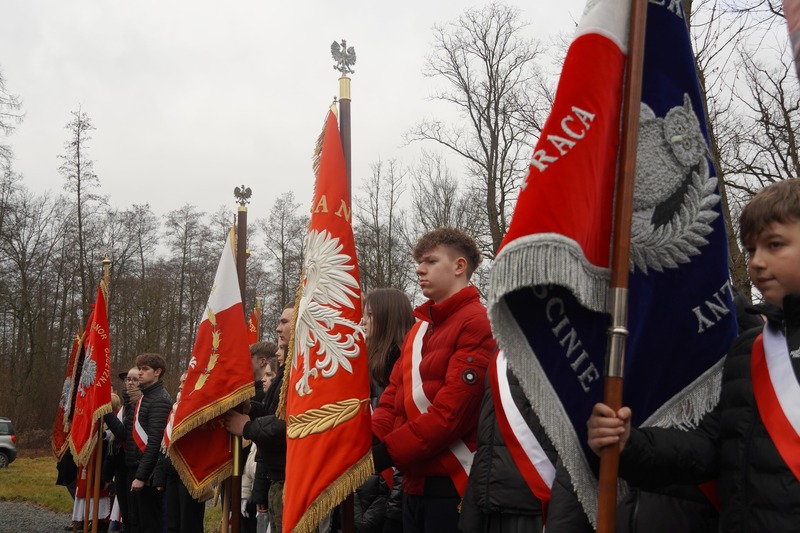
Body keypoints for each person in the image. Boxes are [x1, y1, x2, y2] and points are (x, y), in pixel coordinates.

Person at [587, 178, 800, 531]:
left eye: (774, 245)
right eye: (750, 250)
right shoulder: (749, 349)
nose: (757, 263)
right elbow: (709, 448)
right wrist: (629, 443)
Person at [371, 227, 496, 533]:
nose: (419, 269)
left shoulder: (478, 322)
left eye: (430, 261)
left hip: (452, 484)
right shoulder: (418, 331)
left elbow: (451, 415)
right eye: (419, 262)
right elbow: (391, 399)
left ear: (459, 266)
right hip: (414, 482)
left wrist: (383, 454)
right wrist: (366, 445)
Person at [458, 351, 557, 533]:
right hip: (491, 503)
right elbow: (486, 439)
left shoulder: (553, 347)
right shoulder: (502, 352)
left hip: (533, 507)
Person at [226, 305, 294, 533]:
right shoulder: (286, 371)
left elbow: (283, 425)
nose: (278, 328)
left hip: (289, 478)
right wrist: (252, 409)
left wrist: (246, 427)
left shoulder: (298, 370)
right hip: (277, 476)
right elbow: (272, 413)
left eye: (284, 322)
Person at [355, 288, 414, 533]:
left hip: (390, 485)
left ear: (388, 317)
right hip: (375, 480)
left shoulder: (403, 361)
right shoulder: (375, 363)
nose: (362, 321)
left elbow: (404, 430)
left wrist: (394, 503)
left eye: (369, 315)